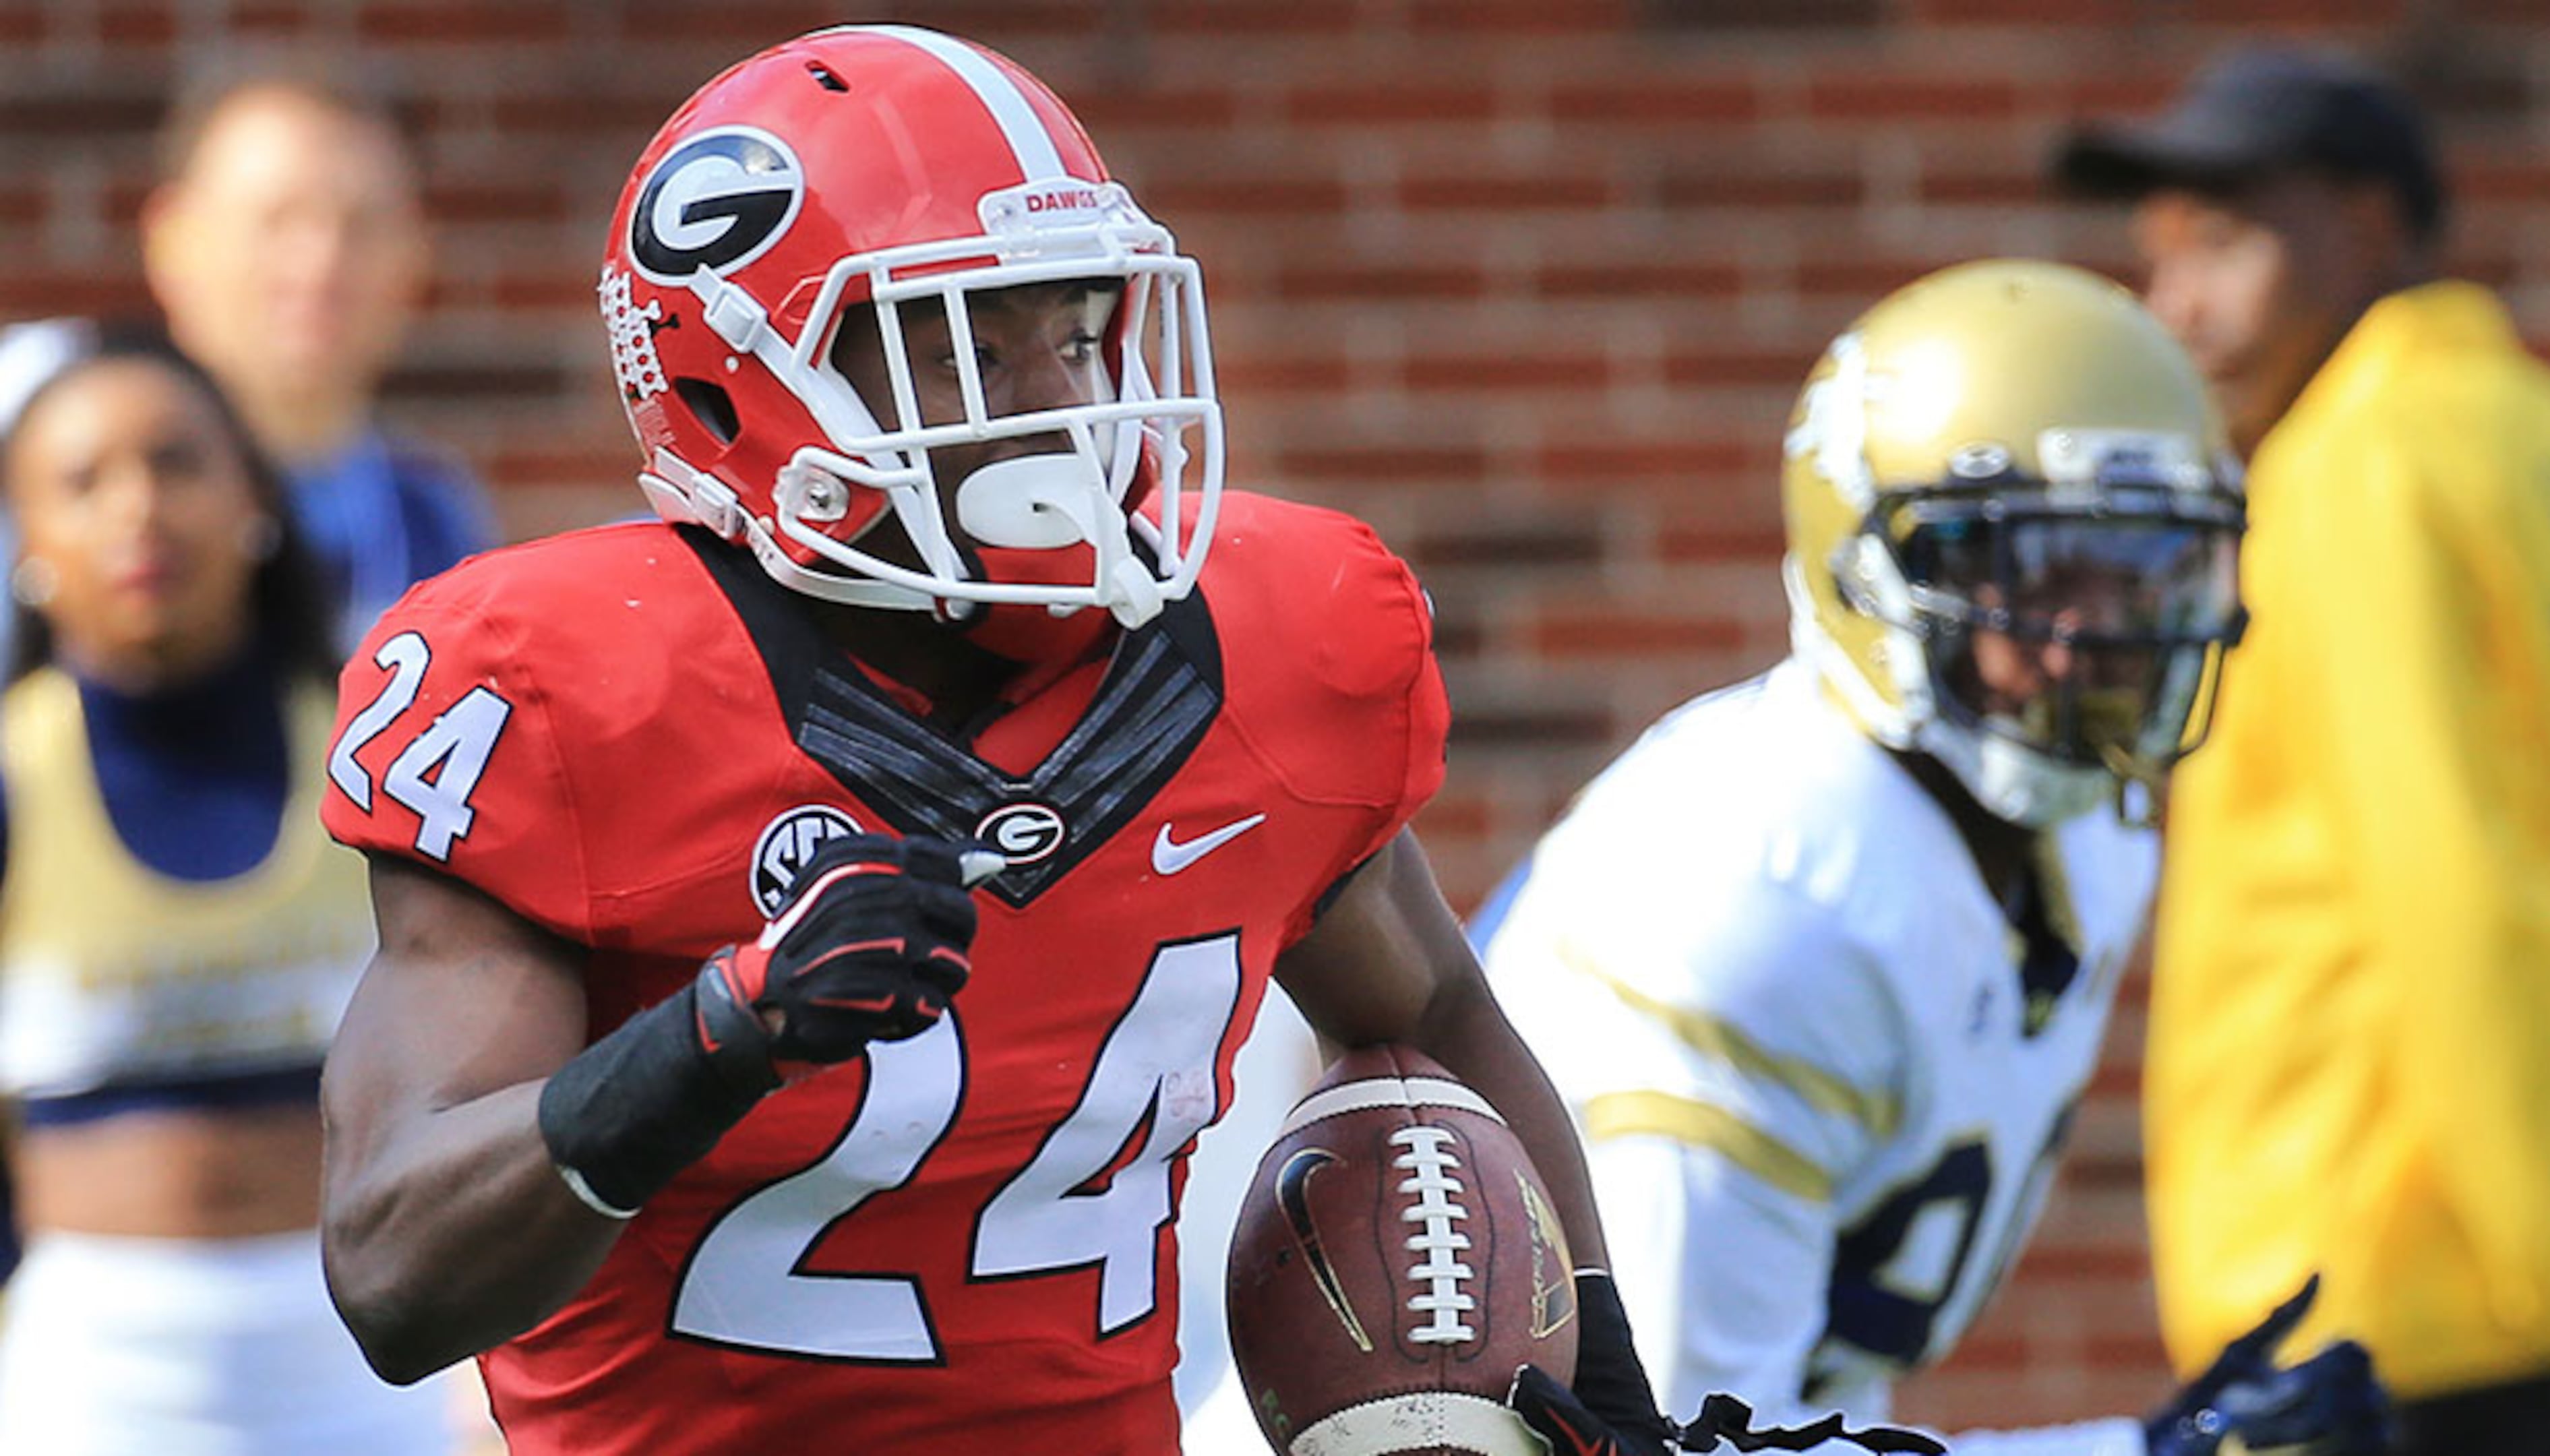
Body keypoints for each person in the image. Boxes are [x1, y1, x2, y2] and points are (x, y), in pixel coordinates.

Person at [309, 25, 1774, 1456]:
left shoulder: (1266, 645)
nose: (1066, 407)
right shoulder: (559, 694)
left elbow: (1436, 1019)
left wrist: (1611, 1383)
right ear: (727, 384)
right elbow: (392, 1274)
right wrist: (717, 1039)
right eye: (971, 352)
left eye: (1078, 331)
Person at [1471, 259, 2394, 1455]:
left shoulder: (2081, 836)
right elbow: (1676, 1446)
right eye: (2031, 572)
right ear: (1880, 571)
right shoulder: (1755, 905)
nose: (2091, 644)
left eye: (2141, 576)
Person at [2052, 44, 2550, 1455]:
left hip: (2414, 1287)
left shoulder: (2346, 467)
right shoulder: (2548, 437)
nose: (2177, 309)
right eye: (2156, 262)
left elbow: (2450, 868)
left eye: (2220, 246)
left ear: (2366, 222)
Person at [0, 322, 451, 1453]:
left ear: (254, 496)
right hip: (85, 1370)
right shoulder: (12, 773)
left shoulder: (385, 754)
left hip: (374, 1346)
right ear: (27, 541)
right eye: (82, 480)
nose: (138, 509)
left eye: (177, 462)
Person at [140, 58, 495, 653]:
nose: (320, 264)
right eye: (277, 220)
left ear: (416, 254)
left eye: (361, 225)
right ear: (172, 241)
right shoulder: (62, 507)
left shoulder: (434, 512)